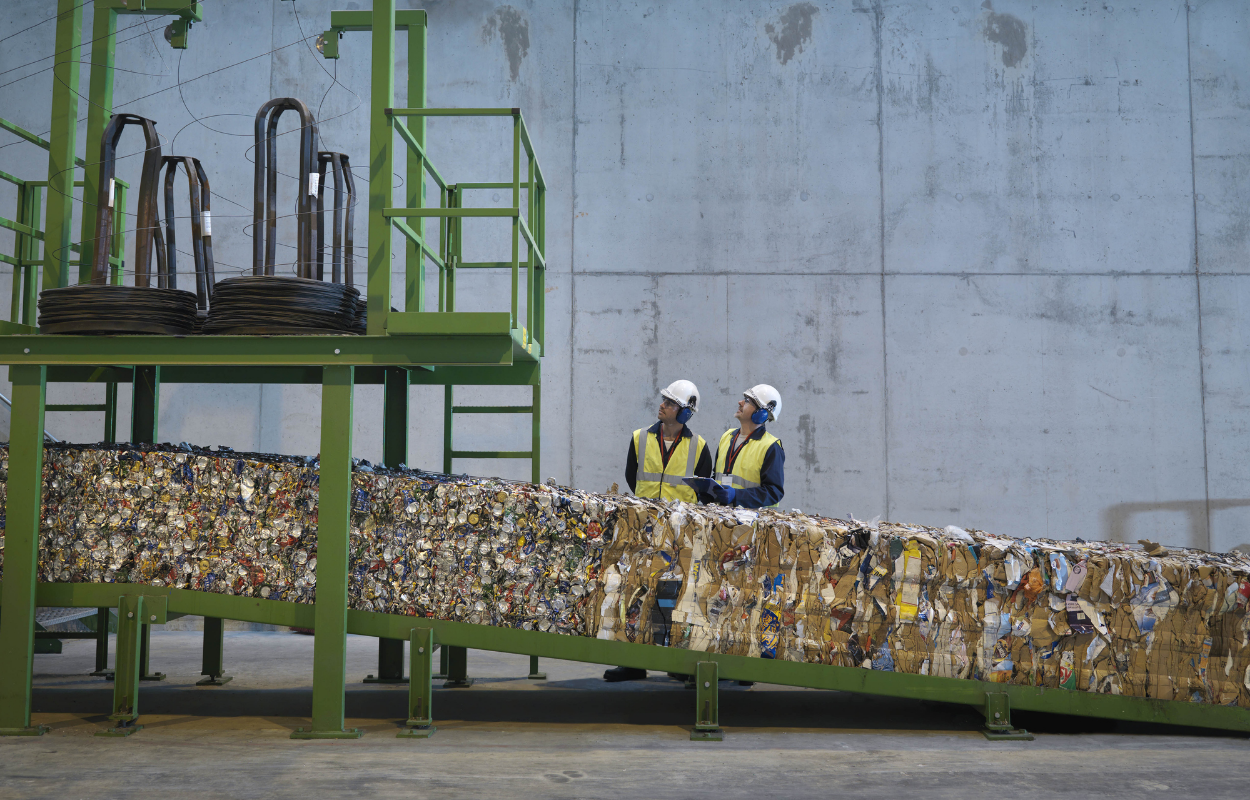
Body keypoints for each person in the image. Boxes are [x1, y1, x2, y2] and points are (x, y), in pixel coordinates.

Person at [604, 380, 713, 683]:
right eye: (664, 399)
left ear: (685, 413)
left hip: (680, 536)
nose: (662, 404)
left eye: (670, 401)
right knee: (635, 592)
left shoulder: (700, 447)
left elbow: (704, 492)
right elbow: (632, 476)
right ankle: (633, 663)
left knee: (674, 598)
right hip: (643, 530)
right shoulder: (639, 438)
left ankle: (676, 662)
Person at [698, 384, 785, 509]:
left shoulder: (771, 446)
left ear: (761, 413)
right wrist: (705, 490)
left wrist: (737, 495)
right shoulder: (727, 437)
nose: (740, 402)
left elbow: (773, 492)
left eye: (748, 401)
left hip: (750, 523)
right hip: (722, 519)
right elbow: (718, 476)